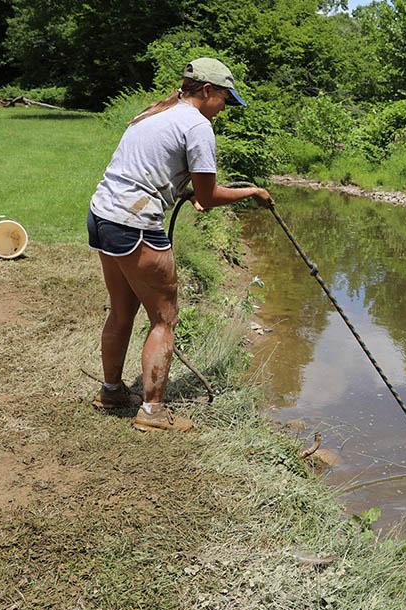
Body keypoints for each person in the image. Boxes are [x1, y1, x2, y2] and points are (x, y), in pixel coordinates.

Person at [87, 57, 273, 431]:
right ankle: (153, 413)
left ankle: (111, 392)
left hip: (103, 214)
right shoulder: (197, 126)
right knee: (164, 319)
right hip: (136, 224)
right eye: (225, 99)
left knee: (121, 310)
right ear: (207, 91)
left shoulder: (154, 113)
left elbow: (151, 171)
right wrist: (252, 192)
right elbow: (211, 195)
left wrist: (184, 191)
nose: (224, 109)